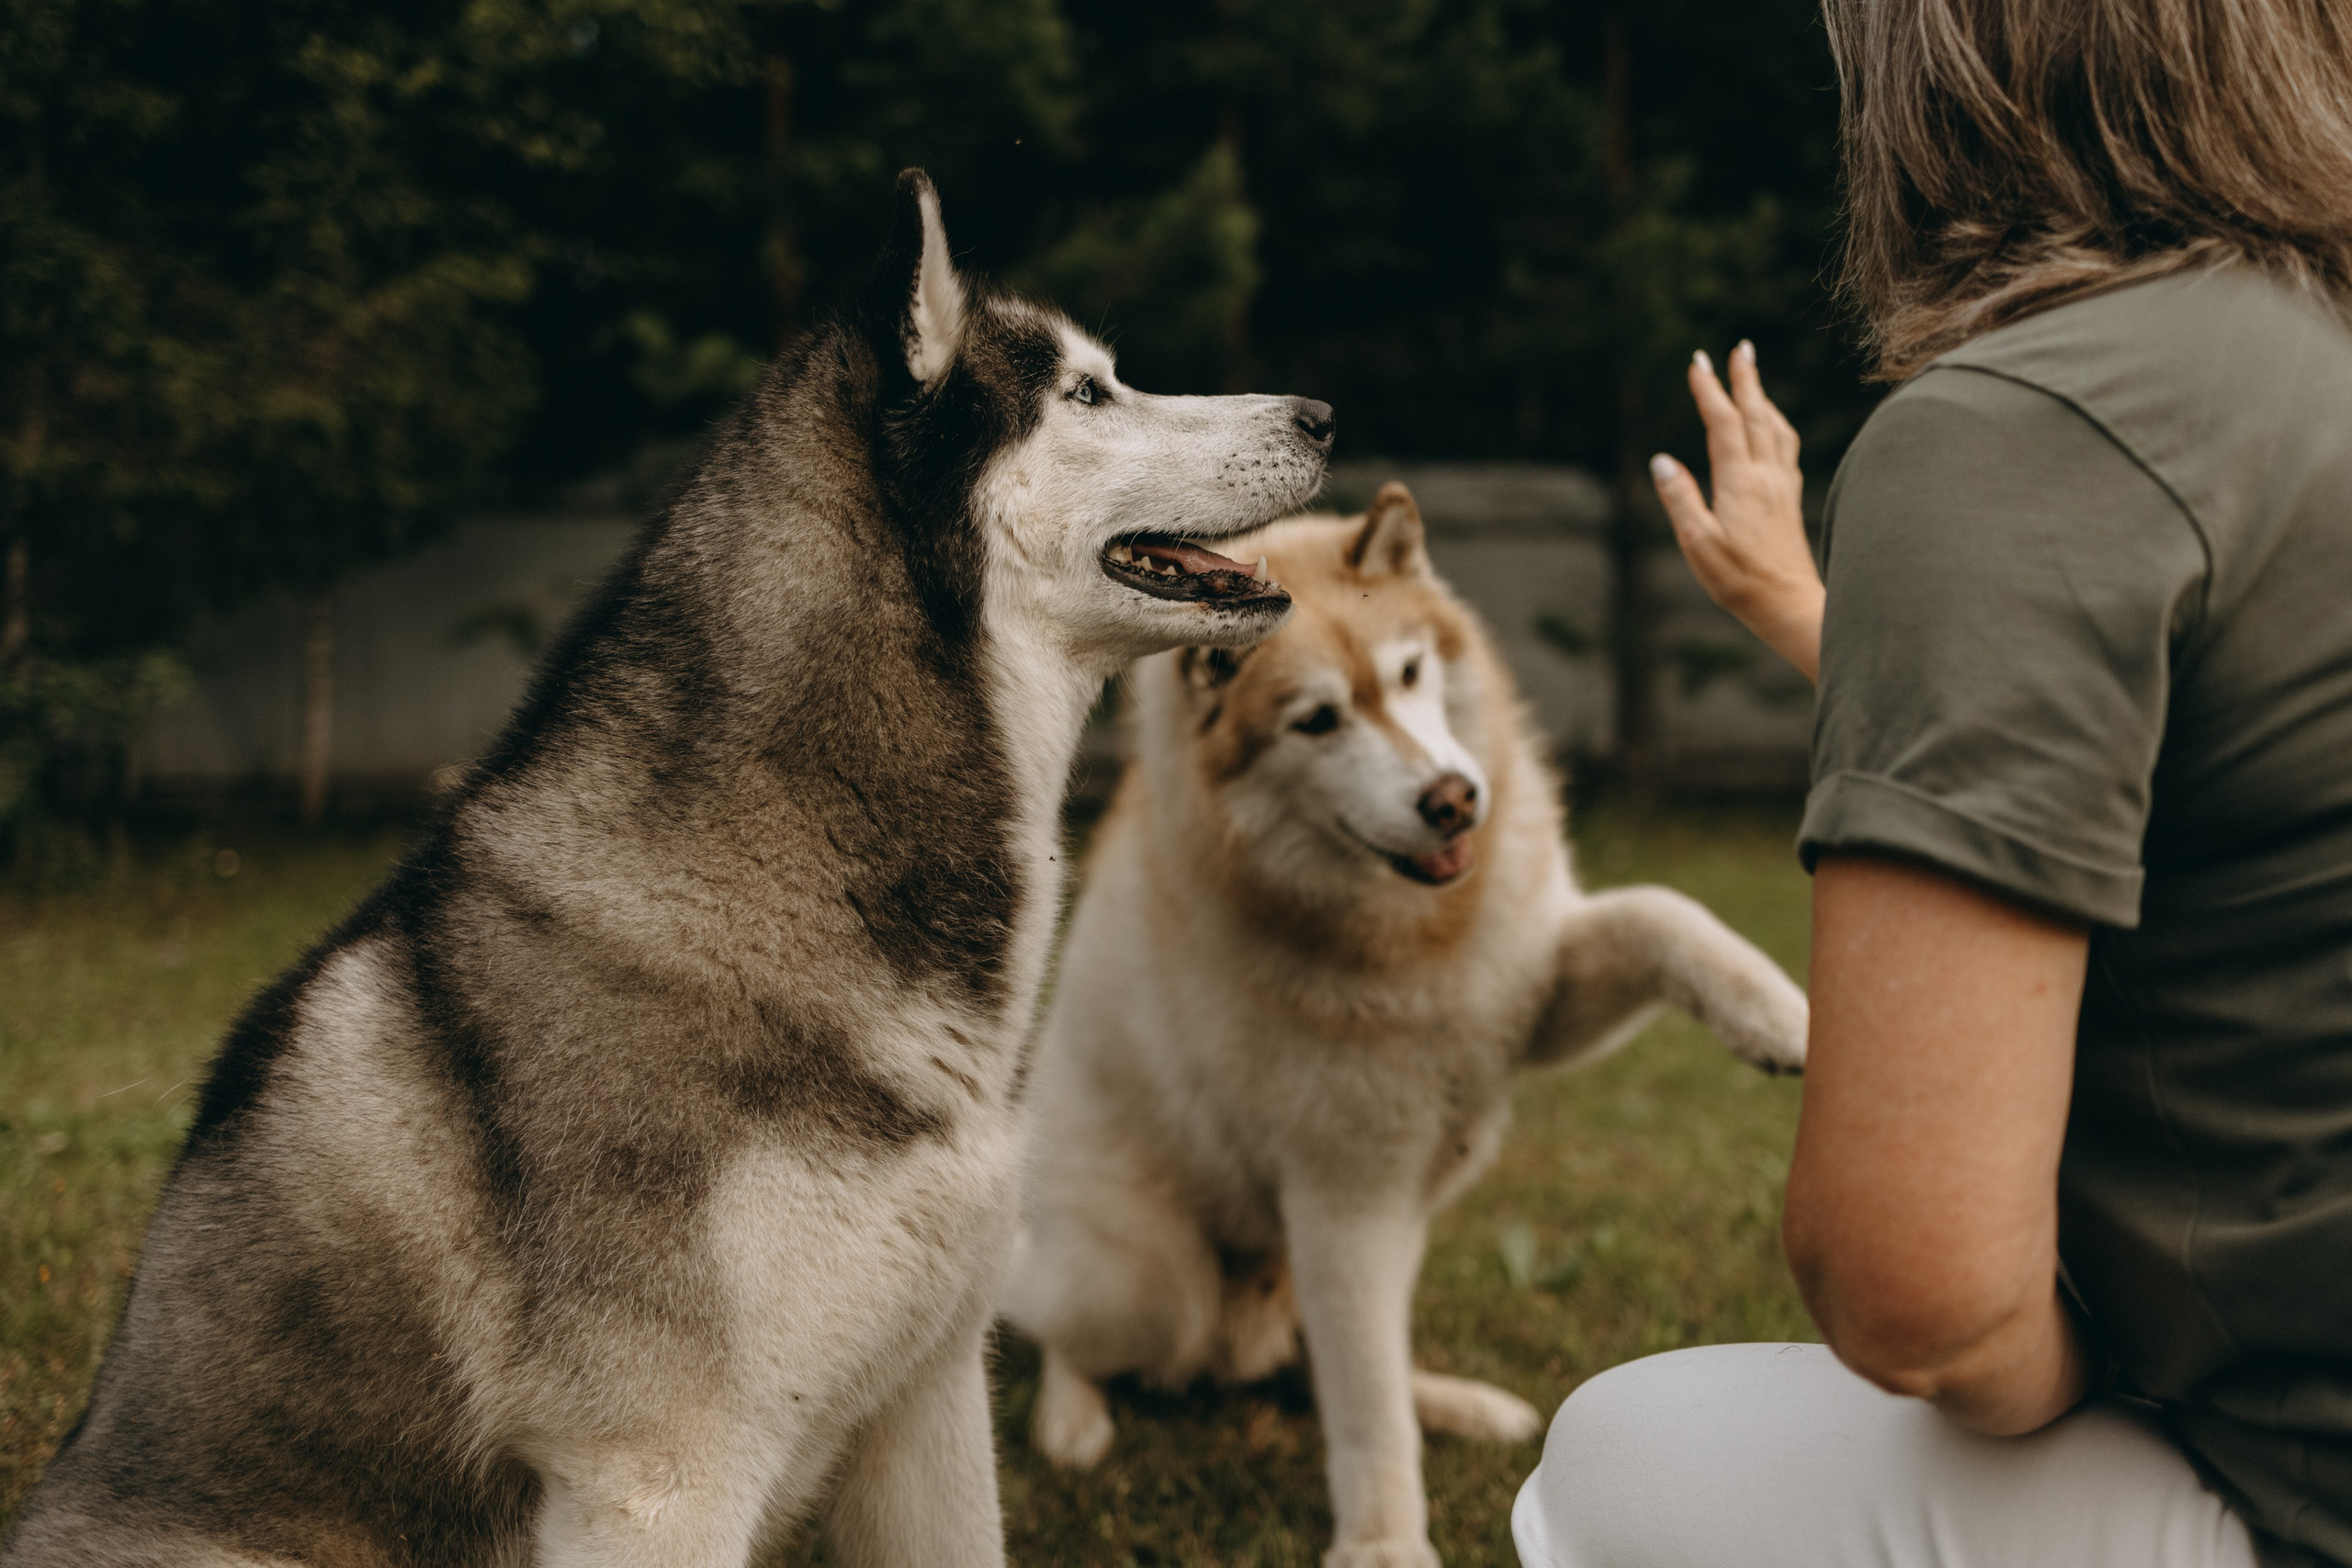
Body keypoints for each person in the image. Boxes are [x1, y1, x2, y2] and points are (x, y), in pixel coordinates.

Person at [1510, 2, 2352, 1565]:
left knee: (1613, 1470)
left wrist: (2085, 1355)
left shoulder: (2034, 421)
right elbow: (2206, 763)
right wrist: (1804, 612)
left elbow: (1926, 1295)